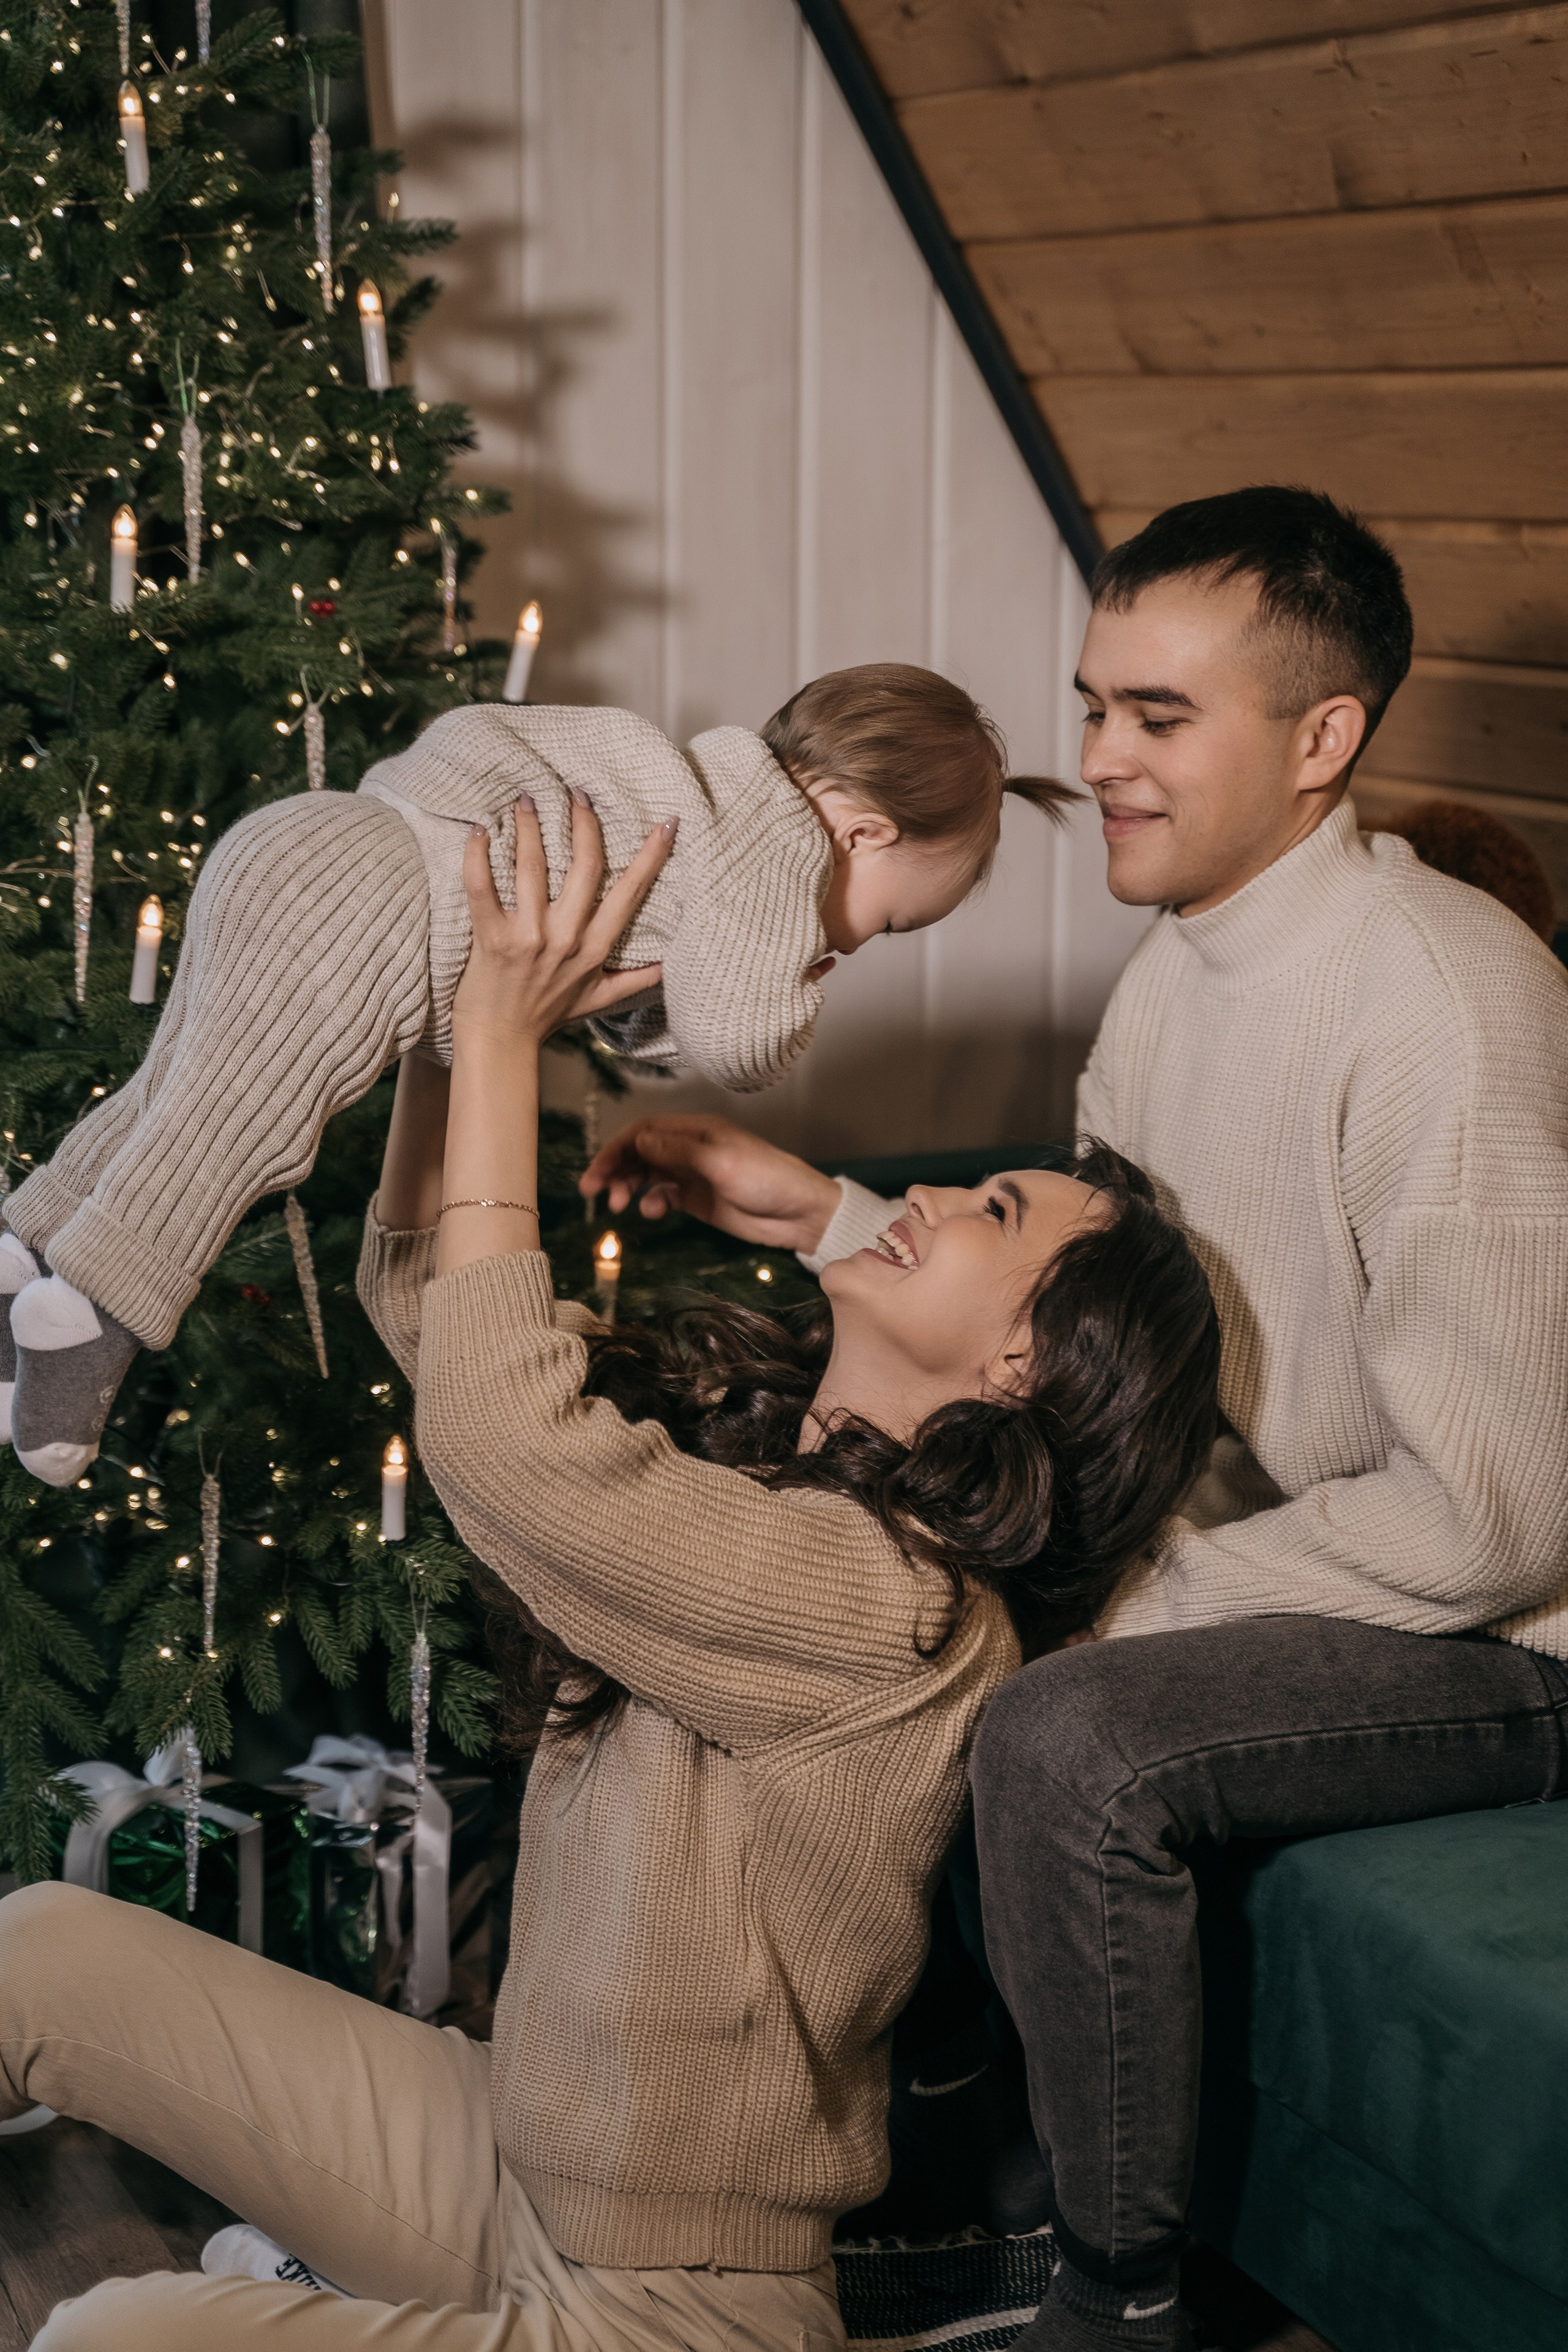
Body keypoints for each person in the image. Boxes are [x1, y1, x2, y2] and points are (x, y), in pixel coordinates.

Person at [0, 793, 1219, 2351]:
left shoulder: (894, 1605)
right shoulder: (774, 1482)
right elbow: (446, 1322)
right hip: (516, 2165)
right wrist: (451, 1017)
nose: (920, 1195)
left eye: (991, 1210)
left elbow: (506, 1443)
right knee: (36, 1951)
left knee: (110, 2336)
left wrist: (509, 1037)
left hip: (674, 2311)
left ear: (1025, 1362)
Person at [582, 488, 1568, 2352]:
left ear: (1321, 739)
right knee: (885, 1574)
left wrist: (1123, 1598)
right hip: (1312, 1550)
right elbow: (1092, 1299)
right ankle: (881, 2171)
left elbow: (1497, 1514)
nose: (1099, 760)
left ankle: (1114, 2297)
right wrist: (824, 1216)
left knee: (1069, 1733)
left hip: (1511, 1635)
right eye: (1096, 705)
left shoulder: (1446, 1005)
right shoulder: (1184, 962)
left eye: (1158, 720)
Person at [0, 662, 1071, 1488]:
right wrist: (809, 977)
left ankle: (29, 1241)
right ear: (861, 830)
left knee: (176, 1089)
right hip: (376, 906)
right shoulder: (775, 852)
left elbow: (639, 1011)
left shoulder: (696, 793)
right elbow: (741, 1043)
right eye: (882, 920)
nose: (851, 946)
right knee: (235, 1132)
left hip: (312, 843)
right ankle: (91, 1328)